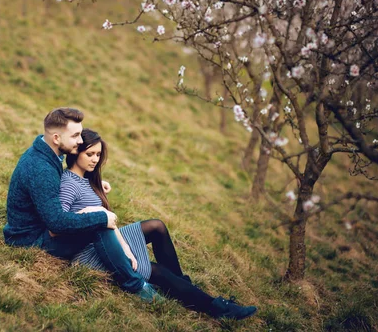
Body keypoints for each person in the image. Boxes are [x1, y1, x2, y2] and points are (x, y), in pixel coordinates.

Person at [58, 128, 258, 320]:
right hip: (89, 253)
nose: (95, 159)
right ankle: (216, 307)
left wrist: (99, 189)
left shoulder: (85, 179)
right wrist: (90, 211)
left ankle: (183, 286)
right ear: (76, 153)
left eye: (98, 154)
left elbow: (101, 215)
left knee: (156, 226)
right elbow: (62, 221)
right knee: (156, 271)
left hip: (106, 240)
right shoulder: (69, 183)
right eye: (90, 154)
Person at [3, 107, 161, 302]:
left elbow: (51, 186)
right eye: (76, 135)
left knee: (95, 218)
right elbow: (56, 223)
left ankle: (133, 268)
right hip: (31, 240)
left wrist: (92, 187)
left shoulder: (44, 151)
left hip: (34, 228)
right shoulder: (41, 168)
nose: (80, 140)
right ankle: (136, 286)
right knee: (99, 224)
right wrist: (100, 216)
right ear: (56, 138)